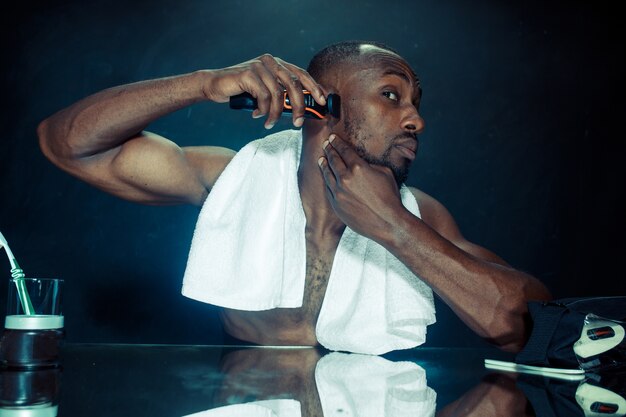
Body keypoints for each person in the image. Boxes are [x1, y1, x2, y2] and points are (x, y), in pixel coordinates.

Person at [37, 40, 551, 353]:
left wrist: (395, 229)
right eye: (391, 96)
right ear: (320, 105)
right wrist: (204, 84)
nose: (416, 119)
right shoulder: (237, 177)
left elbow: (536, 321)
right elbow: (67, 147)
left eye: (416, 103)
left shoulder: (418, 215)